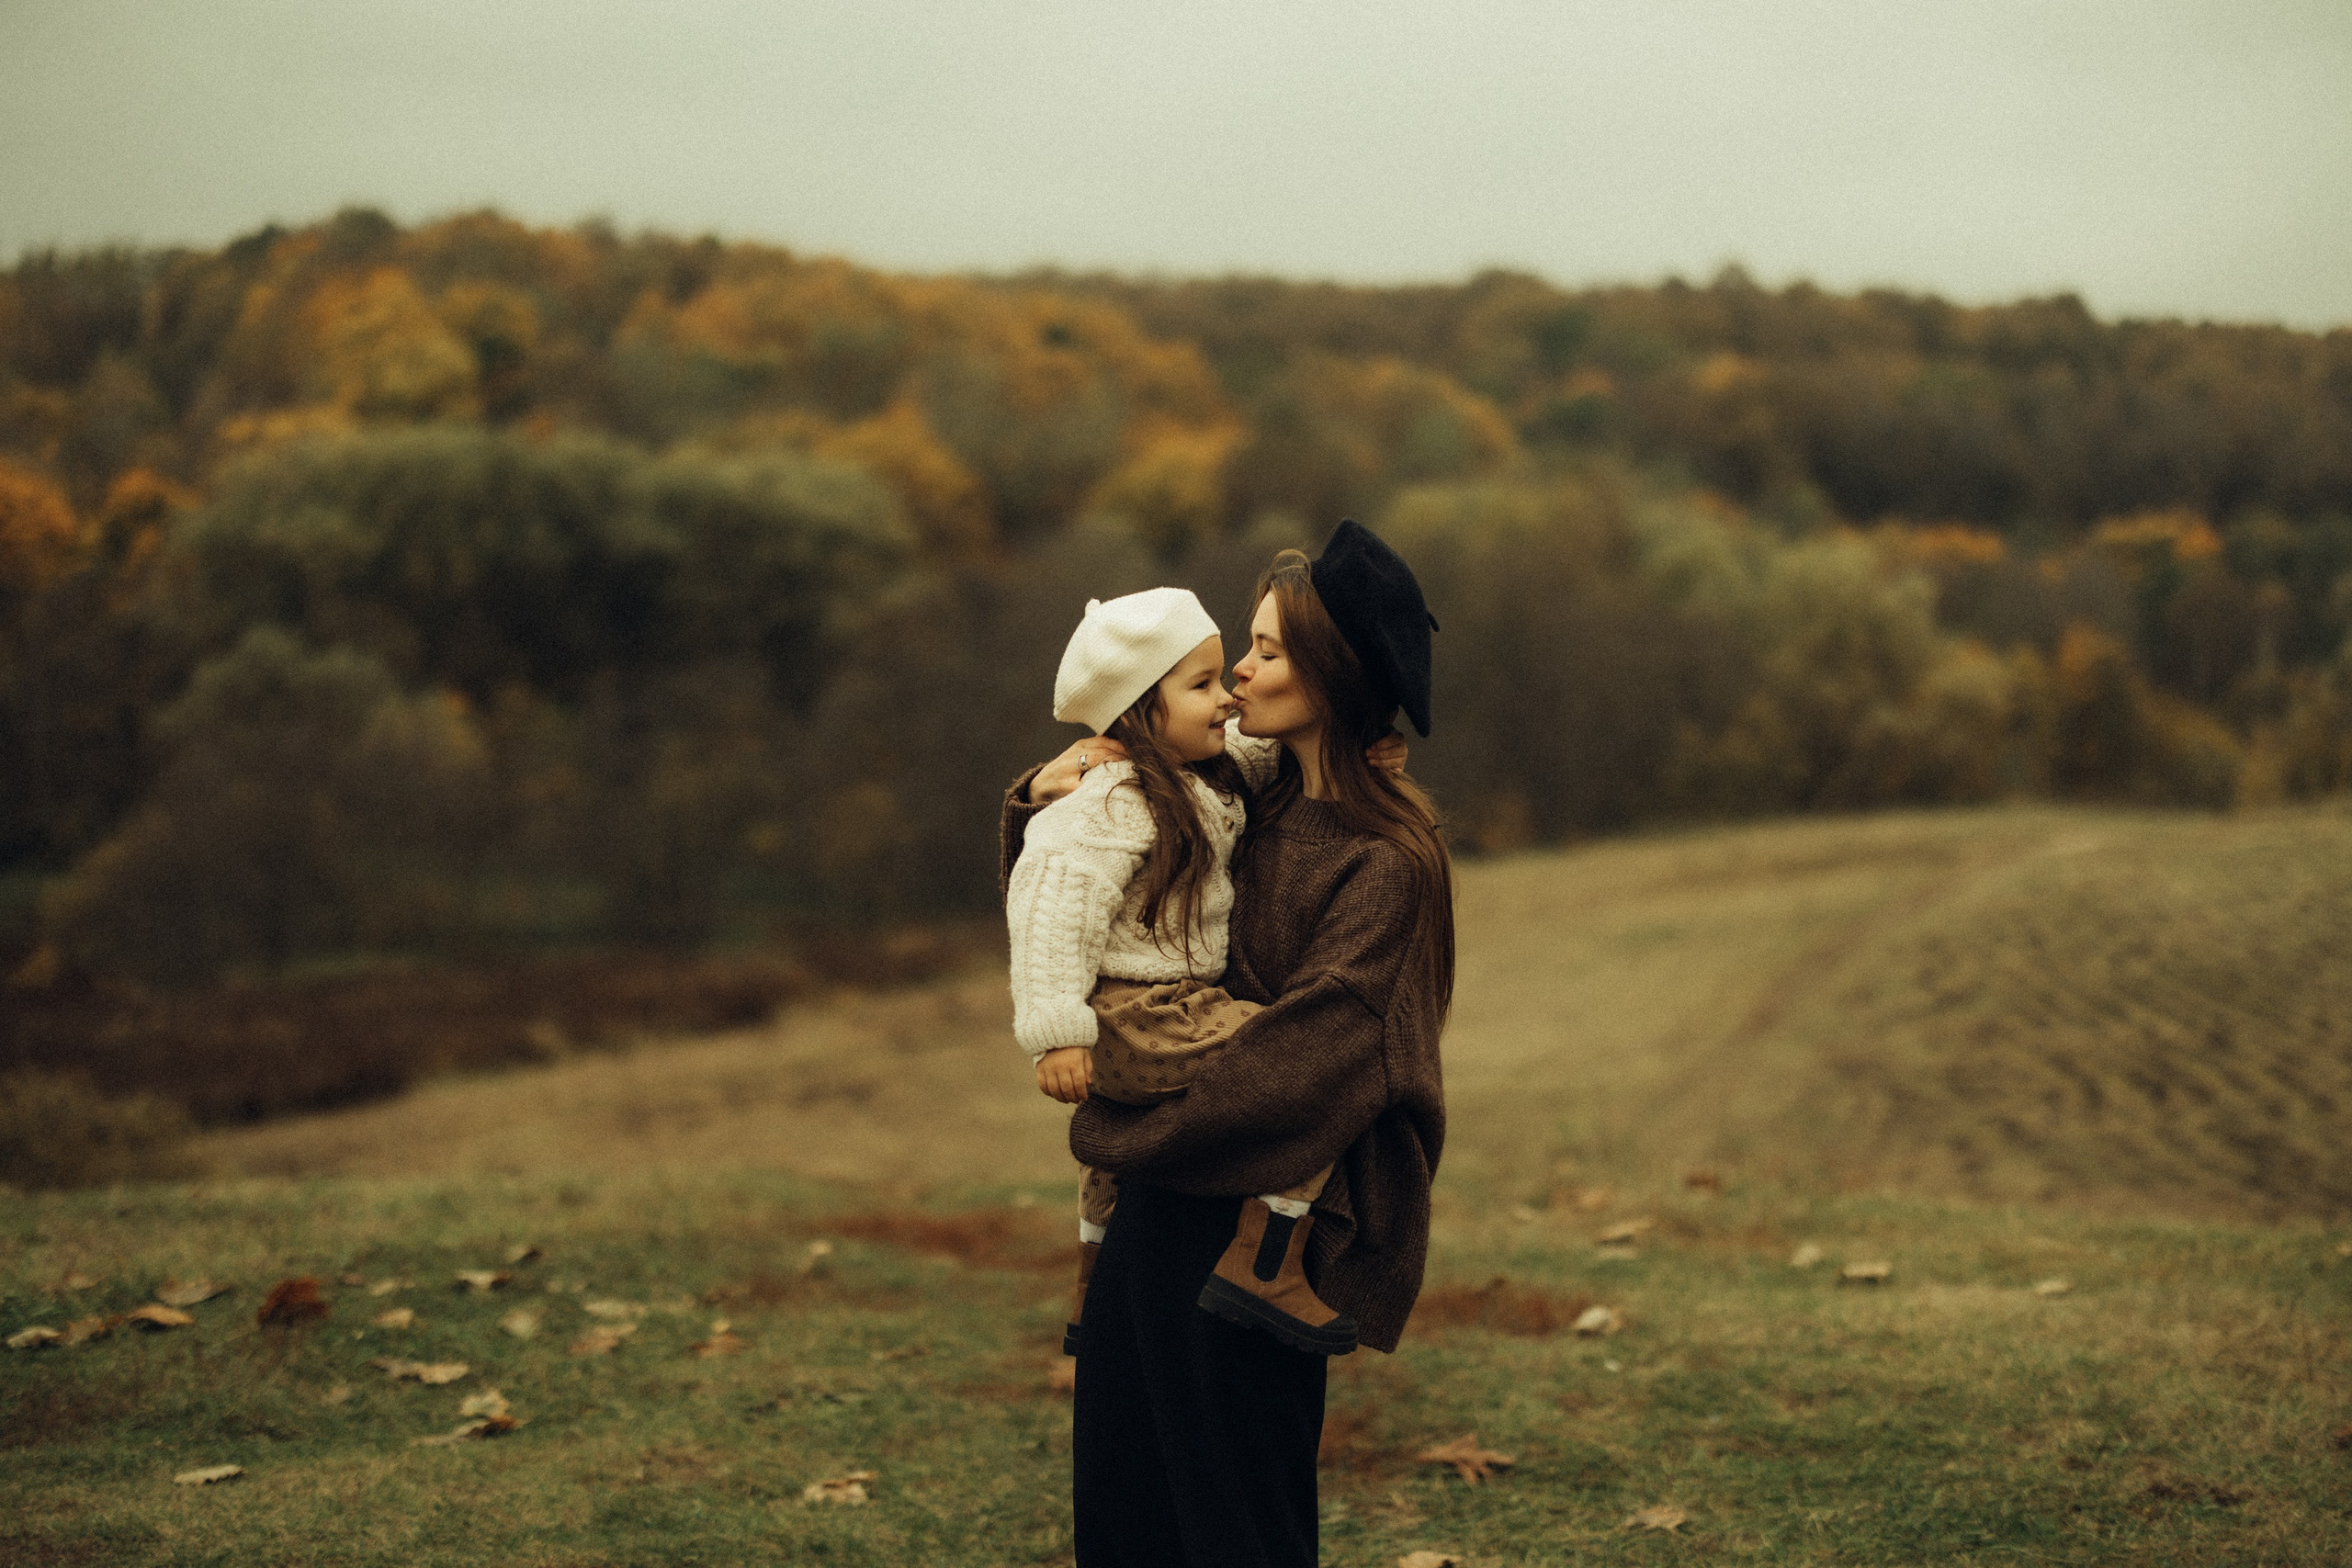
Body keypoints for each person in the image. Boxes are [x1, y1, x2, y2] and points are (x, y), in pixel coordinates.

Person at [1000, 521, 1454, 1568]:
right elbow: (1087, 908)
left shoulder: (1386, 862)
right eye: (1239, 650)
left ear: (1334, 676)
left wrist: (1125, 1127)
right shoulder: (1244, 795)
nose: (1240, 672)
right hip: (1159, 1205)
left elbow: (1324, 1062)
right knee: (1124, 1502)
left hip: (1257, 1229)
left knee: (1234, 1524)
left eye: (1267, 650)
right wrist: (1050, 792)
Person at [1007, 586, 1353, 1359]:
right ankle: (1267, 1257)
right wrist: (1056, 1033)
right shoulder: (1111, 805)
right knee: (1313, 1061)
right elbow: (1051, 905)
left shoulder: (1201, 776)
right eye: (1200, 686)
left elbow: (1268, 757)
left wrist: (1348, 747)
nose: (1227, 697)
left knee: (1114, 1161)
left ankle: (1094, 1283)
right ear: (1136, 709)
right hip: (1139, 1015)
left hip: (1165, 1010)